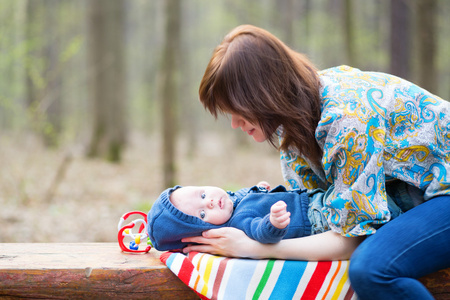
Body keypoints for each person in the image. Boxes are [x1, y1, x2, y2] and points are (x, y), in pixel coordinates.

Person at [181, 24, 450, 299]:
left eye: (237, 111)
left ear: (263, 95)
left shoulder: (347, 118)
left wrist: (253, 247)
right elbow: (315, 217)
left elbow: (350, 238)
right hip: (424, 199)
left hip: (444, 192)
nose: (235, 124)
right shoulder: (293, 125)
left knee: (371, 269)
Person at [147, 182, 329, 251]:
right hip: (315, 218)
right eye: (202, 214)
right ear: (206, 231)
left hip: (310, 200)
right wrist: (273, 223)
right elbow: (262, 232)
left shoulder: (229, 205)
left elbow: (239, 197)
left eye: (202, 195)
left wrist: (258, 188)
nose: (209, 202)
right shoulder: (238, 223)